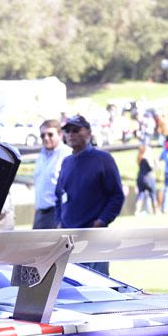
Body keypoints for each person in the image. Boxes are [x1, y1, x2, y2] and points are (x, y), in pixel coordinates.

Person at [54, 115, 125, 275]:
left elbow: (117, 196)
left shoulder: (103, 159)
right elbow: (58, 196)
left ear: (88, 132)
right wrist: (59, 222)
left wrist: (101, 221)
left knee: (99, 288)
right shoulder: (66, 162)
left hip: (94, 239)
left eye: (76, 130)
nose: (71, 134)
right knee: (71, 288)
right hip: (68, 240)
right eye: (67, 131)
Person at [32, 119, 67, 229]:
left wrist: (62, 219)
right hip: (40, 213)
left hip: (56, 213)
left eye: (50, 134)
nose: (46, 138)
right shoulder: (41, 155)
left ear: (60, 135)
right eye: (43, 135)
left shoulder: (67, 155)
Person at [134, 144, 158, 215]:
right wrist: (156, 163)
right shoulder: (148, 157)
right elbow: (152, 167)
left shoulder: (140, 157)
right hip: (149, 178)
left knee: (141, 194)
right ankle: (156, 211)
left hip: (140, 177)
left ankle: (137, 211)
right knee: (153, 194)